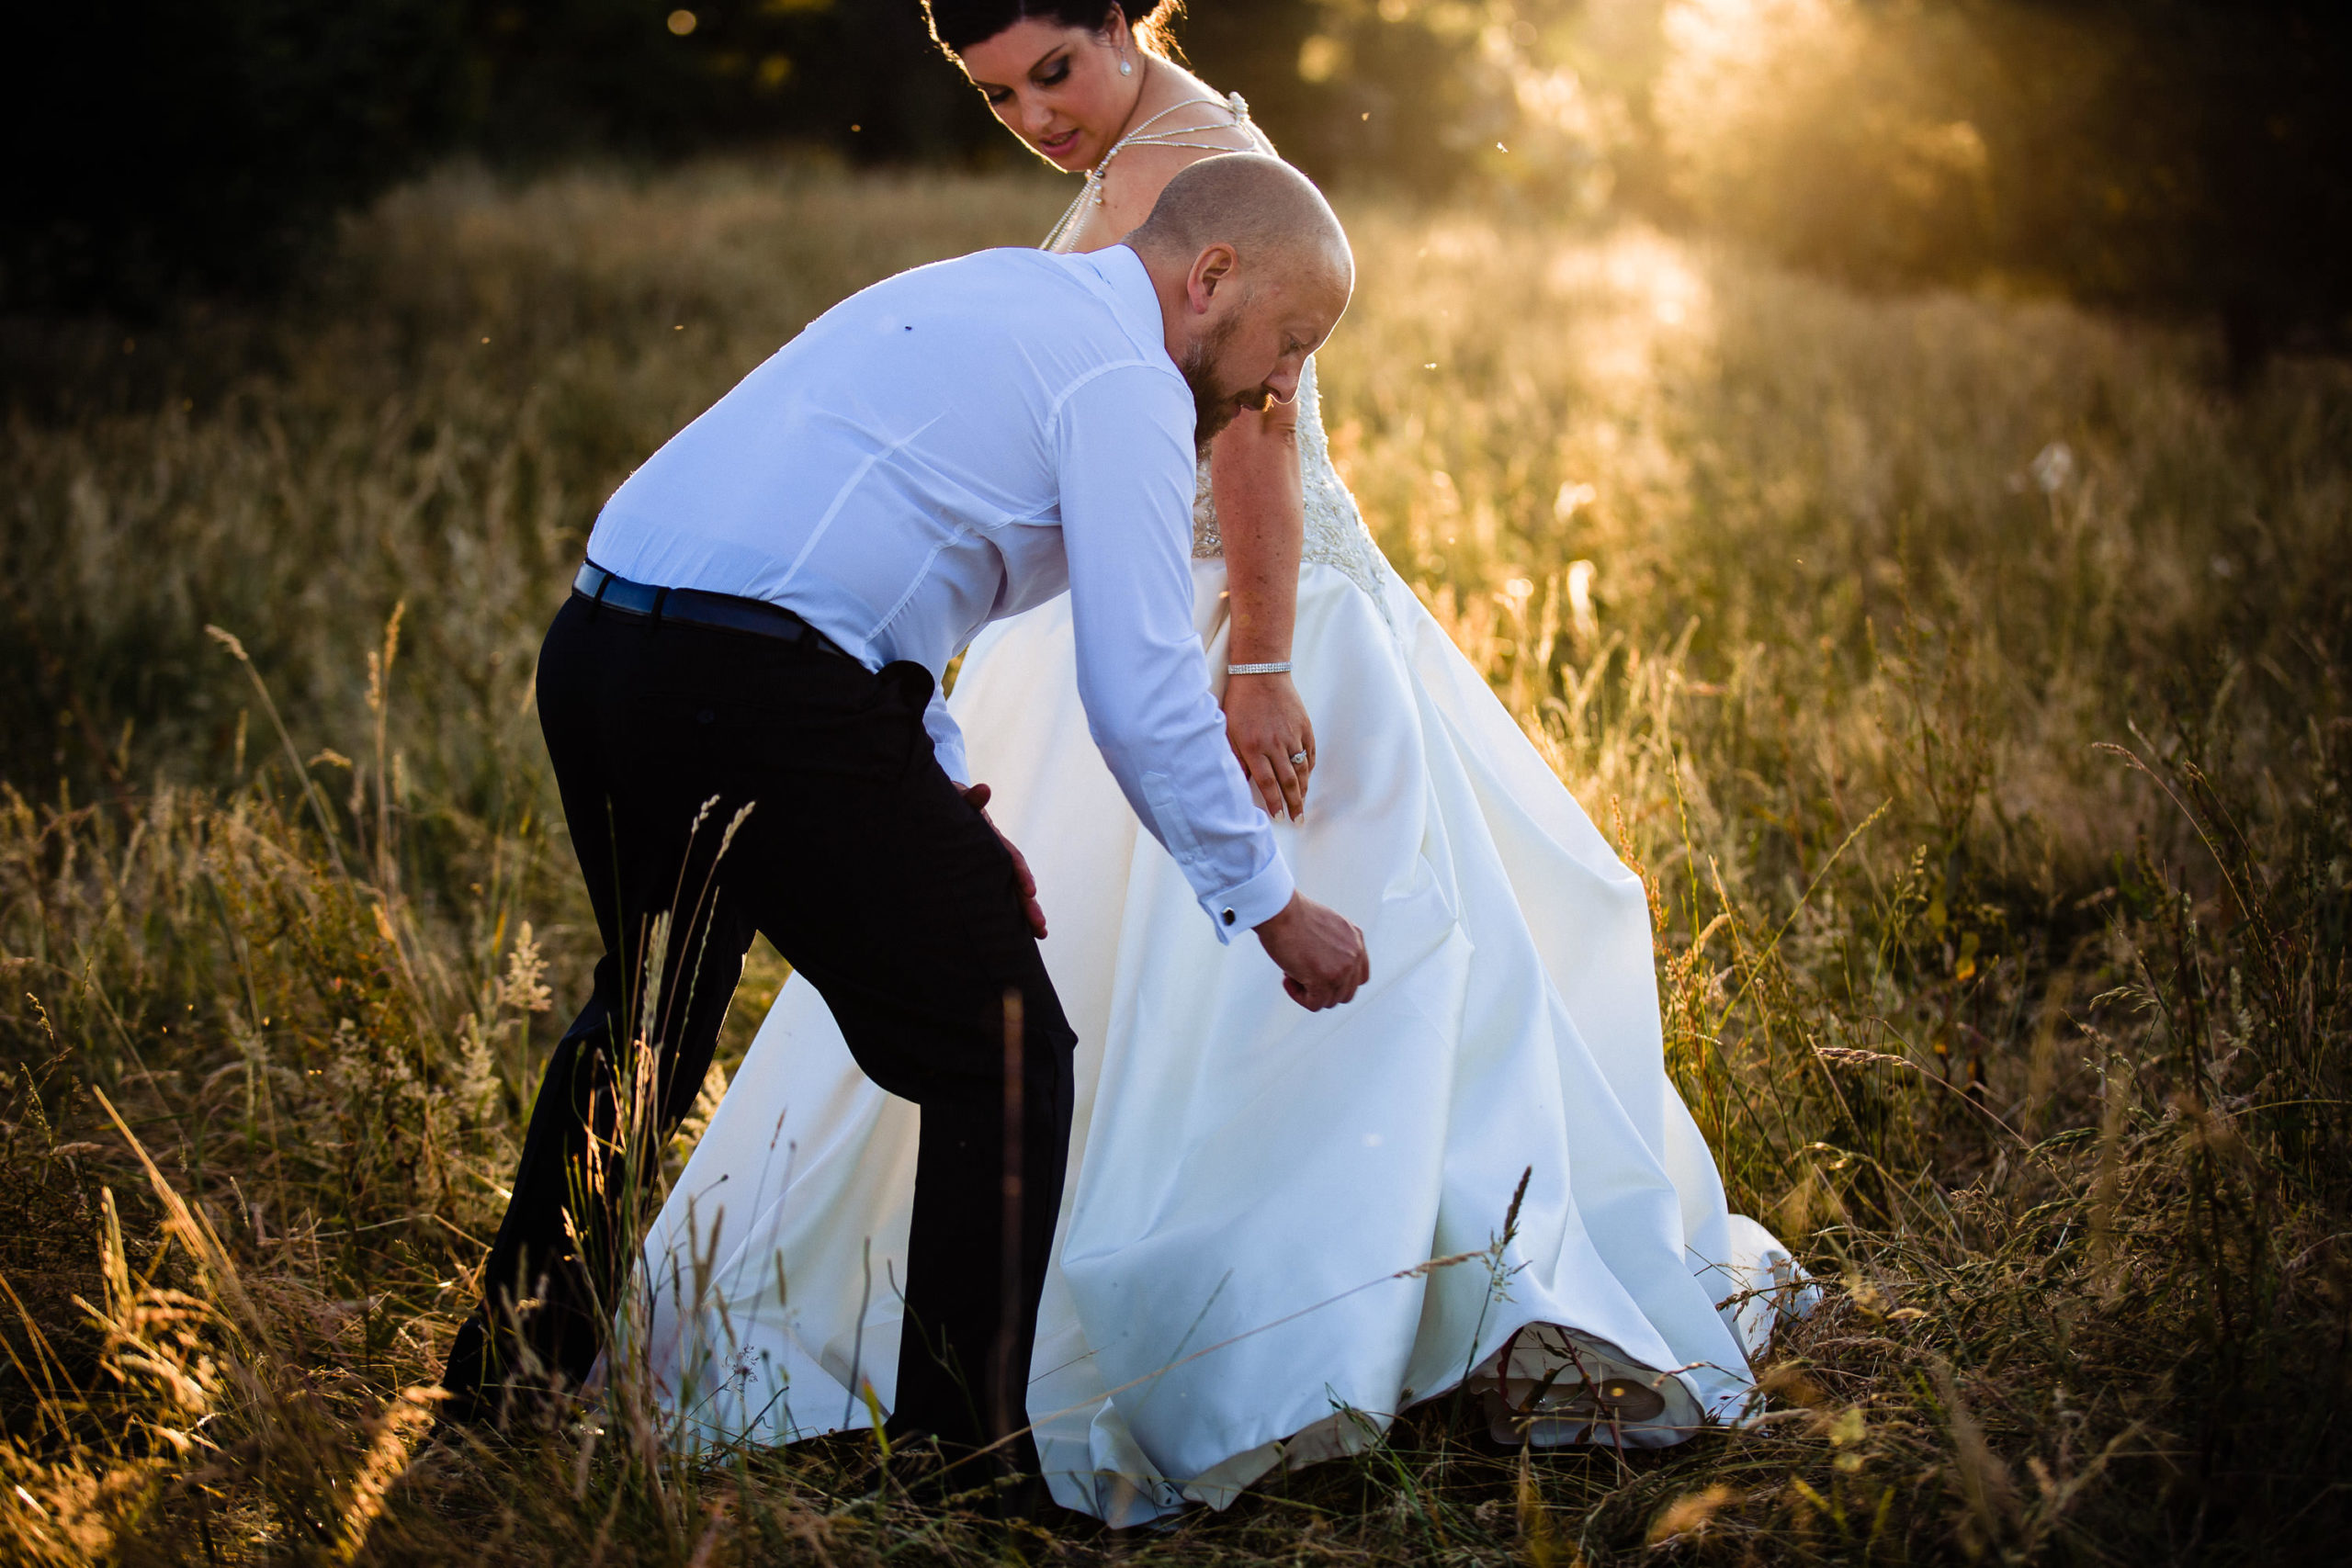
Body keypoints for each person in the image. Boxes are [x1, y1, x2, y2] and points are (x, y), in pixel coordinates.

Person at [634, 0, 1815, 1525]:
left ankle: (1296, 1329)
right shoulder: (1164, 143)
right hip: (1122, 607)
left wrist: (1256, 659)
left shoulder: (1189, 168)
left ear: (1124, 21)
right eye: (998, 98)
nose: (1038, 119)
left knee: (1245, 990)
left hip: (1210, 618)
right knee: (1082, 980)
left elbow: (1254, 427)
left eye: (1055, 72)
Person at [435, 152, 1372, 1475]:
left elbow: (873, 577)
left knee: (646, 1025)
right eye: (1290, 343)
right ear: (1210, 274)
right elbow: (1145, 686)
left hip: (605, 646)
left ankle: (500, 1398)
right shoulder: (1126, 384)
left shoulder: (989, 294)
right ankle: (960, 1471)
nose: (1283, 386)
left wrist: (939, 799)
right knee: (1004, 1053)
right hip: (756, 687)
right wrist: (1271, 909)